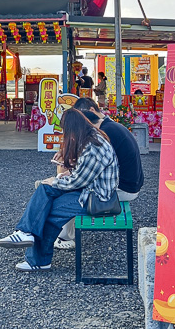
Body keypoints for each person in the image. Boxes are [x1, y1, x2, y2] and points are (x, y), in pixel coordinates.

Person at [0, 109, 119, 271]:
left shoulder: (93, 147)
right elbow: (83, 173)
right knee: (45, 190)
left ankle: (37, 257)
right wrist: (58, 178)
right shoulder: (92, 137)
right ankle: (26, 235)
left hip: (96, 197)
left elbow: (77, 182)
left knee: (49, 208)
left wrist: (56, 180)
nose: (65, 135)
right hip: (88, 189)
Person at [54, 97, 144, 250]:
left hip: (123, 188)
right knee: (68, 177)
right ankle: (64, 232)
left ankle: (64, 236)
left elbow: (93, 168)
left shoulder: (105, 132)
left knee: (69, 186)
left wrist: (66, 172)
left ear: (90, 112)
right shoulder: (112, 127)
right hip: (130, 183)